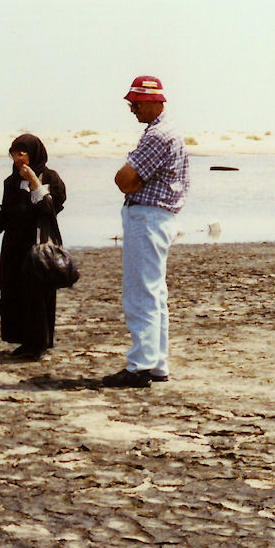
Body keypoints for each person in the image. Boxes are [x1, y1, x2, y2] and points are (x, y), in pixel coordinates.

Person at [103, 75, 191, 388]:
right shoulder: (168, 132)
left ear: (154, 102)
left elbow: (123, 178)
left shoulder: (158, 135)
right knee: (154, 293)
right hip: (161, 218)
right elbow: (128, 180)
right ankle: (156, 364)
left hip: (148, 218)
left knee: (141, 293)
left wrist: (134, 183)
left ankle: (140, 365)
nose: (133, 109)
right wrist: (133, 182)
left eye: (137, 103)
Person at [0, 134, 67, 360]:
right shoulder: (11, 181)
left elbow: (51, 208)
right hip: (14, 247)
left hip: (38, 246)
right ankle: (24, 342)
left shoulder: (50, 177)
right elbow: (5, 217)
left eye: (21, 153)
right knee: (14, 291)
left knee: (38, 294)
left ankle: (40, 344)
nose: (17, 159)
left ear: (33, 153)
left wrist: (35, 180)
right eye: (14, 154)